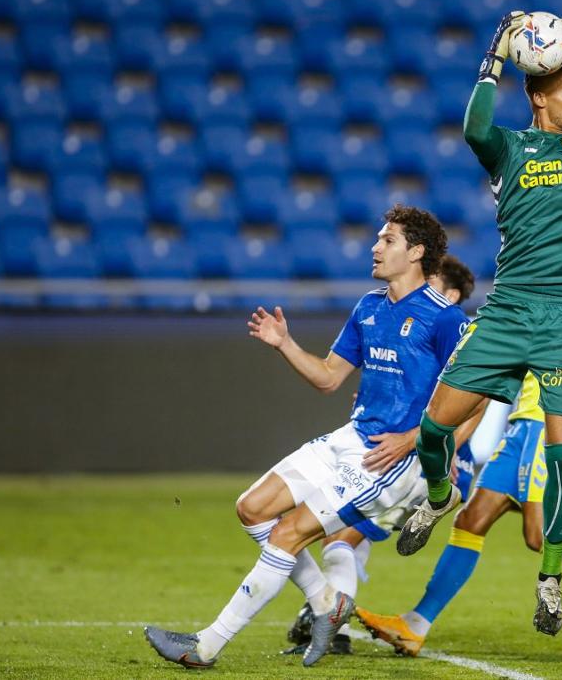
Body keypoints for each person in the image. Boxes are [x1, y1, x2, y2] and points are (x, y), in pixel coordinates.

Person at [143, 206, 471, 669]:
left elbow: (473, 396)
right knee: (251, 508)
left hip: (389, 458)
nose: (375, 247)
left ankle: (205, 646)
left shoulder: (446, 319)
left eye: (388, 240)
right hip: (352, 436)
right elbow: (328, 378)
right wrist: (285, 344)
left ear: (416, 252)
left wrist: (417, 439)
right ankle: (325, 602)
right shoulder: (369, 306)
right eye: (378, 238)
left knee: (288, 534)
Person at [397, 10, 562, 636]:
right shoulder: (509, 149)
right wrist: (494, 55)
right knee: (433, 429)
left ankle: (550, 578)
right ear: (537, 96)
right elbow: (474, 123)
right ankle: (441, 496)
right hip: (509, 310)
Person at [357, 316, 562, 657]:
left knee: (538, 532)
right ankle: (415, 624)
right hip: (521, 425)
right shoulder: (542, 295)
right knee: (471, 521)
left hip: (545, 421)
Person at [282, 255, 482, 655]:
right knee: (344, 533)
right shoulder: (401, 318)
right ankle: (324, 612)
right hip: (401, 457)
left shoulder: (455, 328)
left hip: (433, 467)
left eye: (434, 281)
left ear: (454, 293)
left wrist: (428, 455)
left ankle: (328, 618)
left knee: (340, 532)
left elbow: (475, 408)